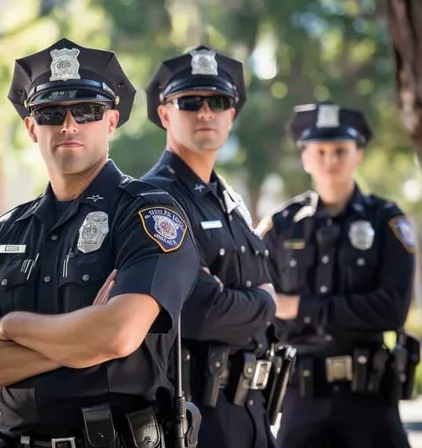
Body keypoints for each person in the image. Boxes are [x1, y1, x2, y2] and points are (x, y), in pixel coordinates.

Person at [0, 38, 201, 448]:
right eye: (49, 113)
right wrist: (80, 346)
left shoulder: (147, 214)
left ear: (111, 122)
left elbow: (117, 335)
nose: (68, 124)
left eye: (87, 110)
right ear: (30, 128)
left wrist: (13, 326)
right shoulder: (3, 232)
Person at [141, 46, 281, 448]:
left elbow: (232, 297)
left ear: (231, 115)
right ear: (165, 114)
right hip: (198, 418)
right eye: (189, 102)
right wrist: (265, 303)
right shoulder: (156, 199)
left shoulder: (229, 202)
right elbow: (199, 312)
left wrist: (238, 298)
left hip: (253, 410)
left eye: (218, 102)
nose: (206, 112)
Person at [258, 102, 416, 448]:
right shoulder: (280, 227)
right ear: (305, 157)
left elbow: (391, 309)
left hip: (369, 397)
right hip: (300, 399)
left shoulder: (386, 221)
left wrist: (300, 306)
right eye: (321, 151)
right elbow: (264, 309)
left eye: (341, 150)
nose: (330, 161)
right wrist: (352, 311)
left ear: (358, 154)